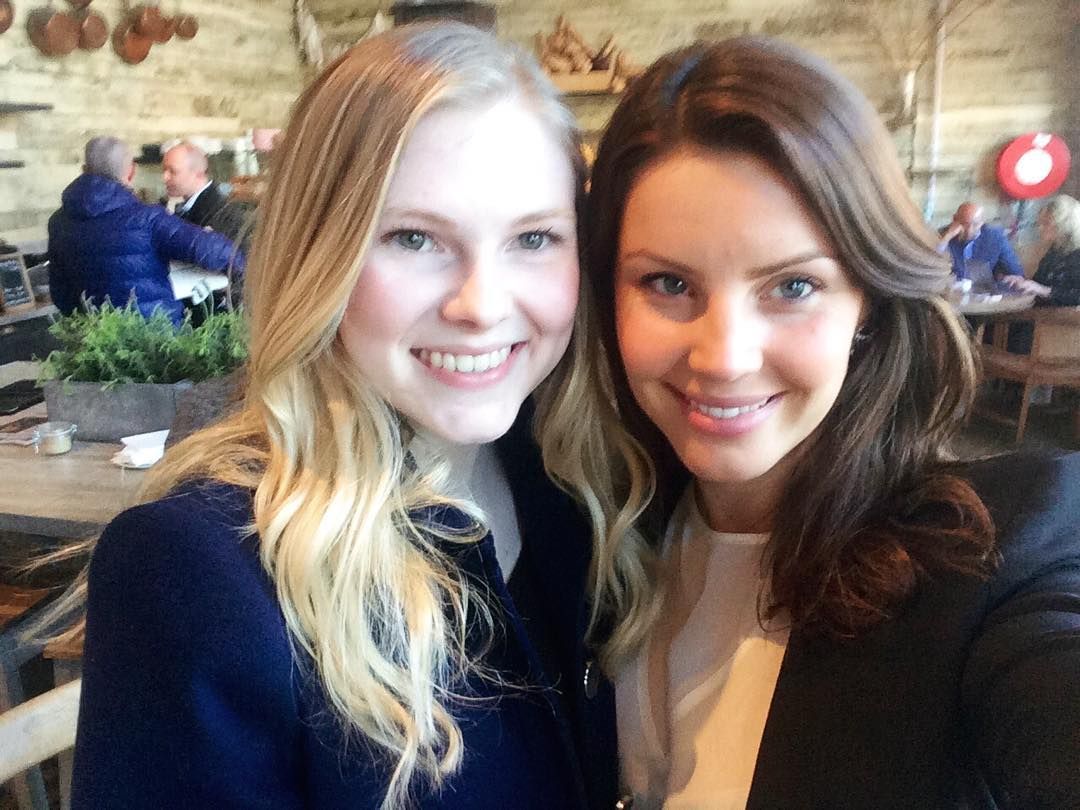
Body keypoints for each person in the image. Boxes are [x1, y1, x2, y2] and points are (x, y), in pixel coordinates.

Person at [50, 24, 616, 809]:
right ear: (319, 255)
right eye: (414, 238)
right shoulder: (200, 574)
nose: (482, 306)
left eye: (534, 238)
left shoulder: (575, 481)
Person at [570, 36, 1080, 808]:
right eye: (668, 283)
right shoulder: (601, 523)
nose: (725, 358)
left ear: (867, 302)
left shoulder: (991, 560)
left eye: (793, 287)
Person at [47, 136, 243, 324]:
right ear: (131, 172)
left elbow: (60, 295)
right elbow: (218, 252)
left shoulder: (57, 222)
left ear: (83, 169)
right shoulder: (146, 219)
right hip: (155, 336)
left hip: (94, 336)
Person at [162, 140, 248, 243]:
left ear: (198, 173)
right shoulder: (188, 208)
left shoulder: (221, 214)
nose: (165, 177)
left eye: (173, 171)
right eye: (164, 170)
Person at [1001, 194, 1080, 305]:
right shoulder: (1055, 250)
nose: (1040, 228)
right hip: (1043, 311)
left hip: (1067, 314)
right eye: (1040, 223)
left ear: (1063, 225)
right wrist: (1023, 282)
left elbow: (1076, 296)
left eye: (1046, 223)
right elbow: (1038, 283)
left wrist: (1044, 290)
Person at [938, 200, 1024, 281]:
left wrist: (1009, 278)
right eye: (965, 224)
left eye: (975, 224)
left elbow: (1016, 272)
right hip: (950, 288)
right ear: (954, 219)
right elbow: (933, 264)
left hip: (982, 289)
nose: (969, 231)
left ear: (982, 222)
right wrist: (947, 237)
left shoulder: (994, 237)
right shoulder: (943, 235)